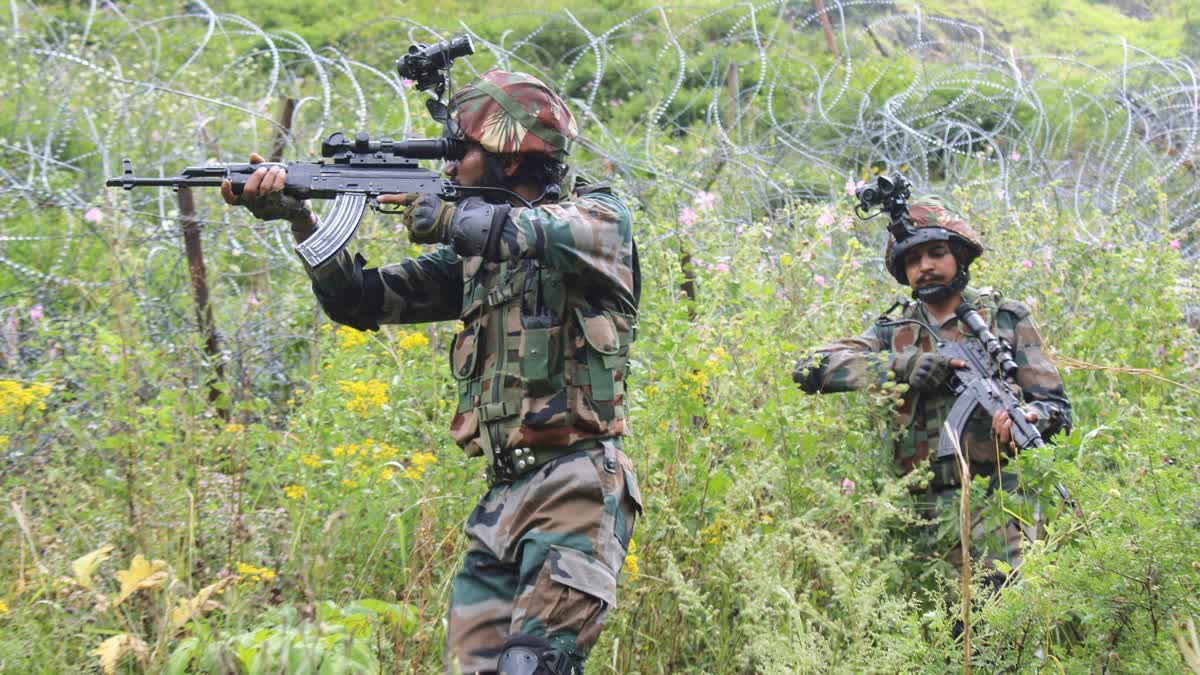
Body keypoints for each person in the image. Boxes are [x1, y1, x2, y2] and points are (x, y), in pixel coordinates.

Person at [222, 68, 642, 675]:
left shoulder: (596, 222)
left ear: (512, 157)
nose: (448, 167)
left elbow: (529, 230)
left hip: (575, 486)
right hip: (503, 499)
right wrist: (299, 219)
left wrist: (445, 218)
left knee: (533, 668)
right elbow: (361, 300)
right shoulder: (476, 259)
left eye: (461, 151)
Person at [793, 195, 1071, 588]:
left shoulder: (1004, 318)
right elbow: (808, 368)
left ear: (959, 255)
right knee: (934, 635)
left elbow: (1056, 407)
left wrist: (1029, 419)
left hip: (1001, 500)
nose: (925, 266)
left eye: (937, 253)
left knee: (1004, 622)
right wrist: (898, 366)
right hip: (921, 509)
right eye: (913, 260)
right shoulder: (894, 331)